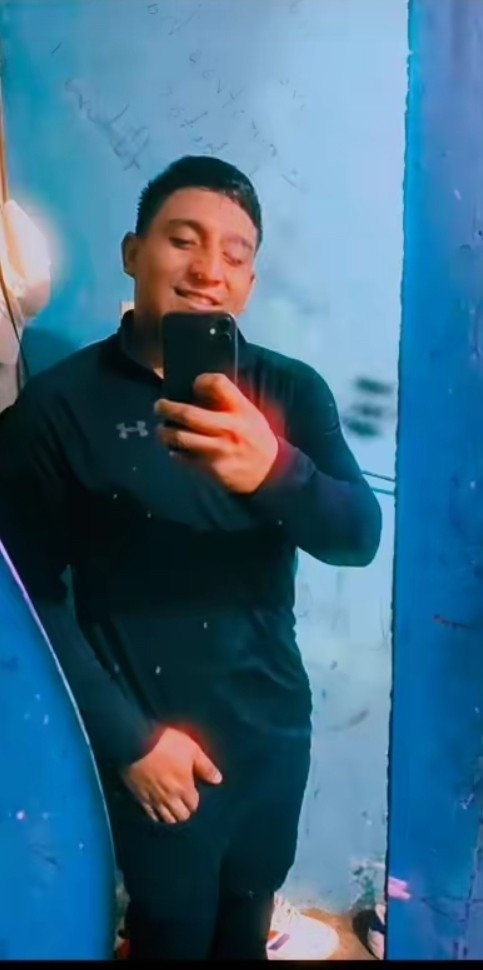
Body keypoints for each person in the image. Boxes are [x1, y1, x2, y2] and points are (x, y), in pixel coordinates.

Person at [0, 155, 382, 960]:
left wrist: (275, 470)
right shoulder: (57, 408)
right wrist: (129, 742)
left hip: (272, 735)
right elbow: (27, 601)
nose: (209, 269)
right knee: (169, 931)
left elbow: (357, 538)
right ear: (132, 252)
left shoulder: (289, 391)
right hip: (152, 744)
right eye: (183, 240)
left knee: (246, 923)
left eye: (235, 255)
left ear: (249, 281)